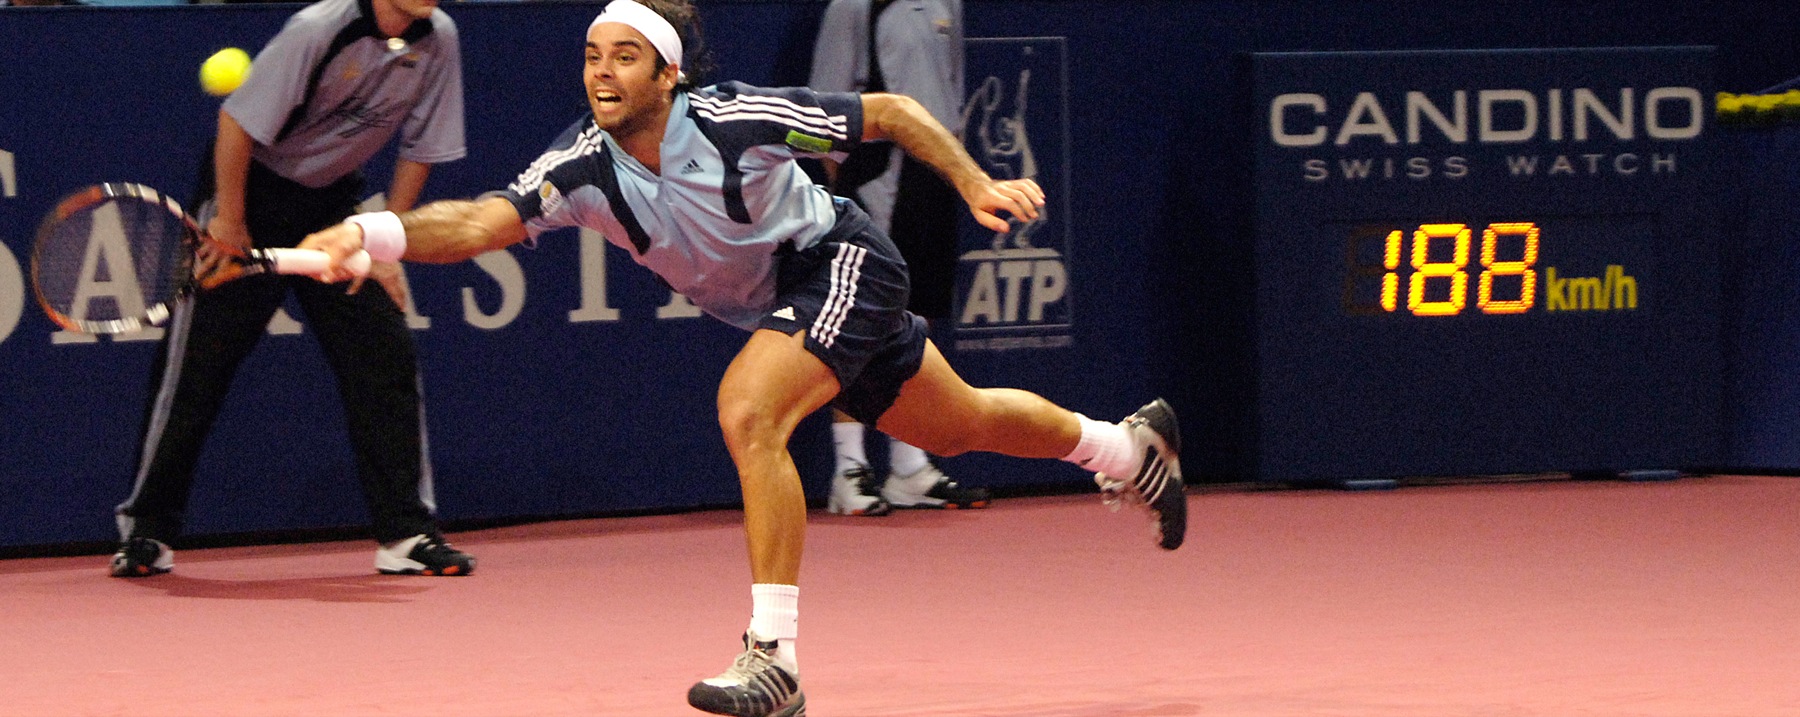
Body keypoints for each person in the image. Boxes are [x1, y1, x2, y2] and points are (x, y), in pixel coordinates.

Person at [297, 0, 1185, 713]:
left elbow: (890, 112)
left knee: (748, 410)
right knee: (960, 425)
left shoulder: (735, 118)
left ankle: (774, 657)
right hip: (780, 303)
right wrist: (371, 234)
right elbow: (476, 222)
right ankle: (1127, 446)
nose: (602, 73)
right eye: (593, 56)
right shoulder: (580, 165)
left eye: (625, 57)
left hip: (839, 261)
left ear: (668, 73)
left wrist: (974, 182)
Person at [109, 0, 475, 578]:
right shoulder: (318, 29)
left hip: (332, 206)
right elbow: (235, 123)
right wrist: (230, 220)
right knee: (196, 368)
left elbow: (420, 148)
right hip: (249, 193)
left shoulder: (440, 38)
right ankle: (147, 533)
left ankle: (406, 534)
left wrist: (386, 241)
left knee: (382, 353)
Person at [809, 0, 989, 516]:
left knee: (916, 318)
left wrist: (954, 170)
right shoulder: (851, 7)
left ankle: (909, 468)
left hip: (933, 175)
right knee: (862, 318)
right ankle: (849, 470)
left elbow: (952, 92)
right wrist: (844, 185)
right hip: (875, 175)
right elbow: (823, 107)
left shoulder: (948, 2)